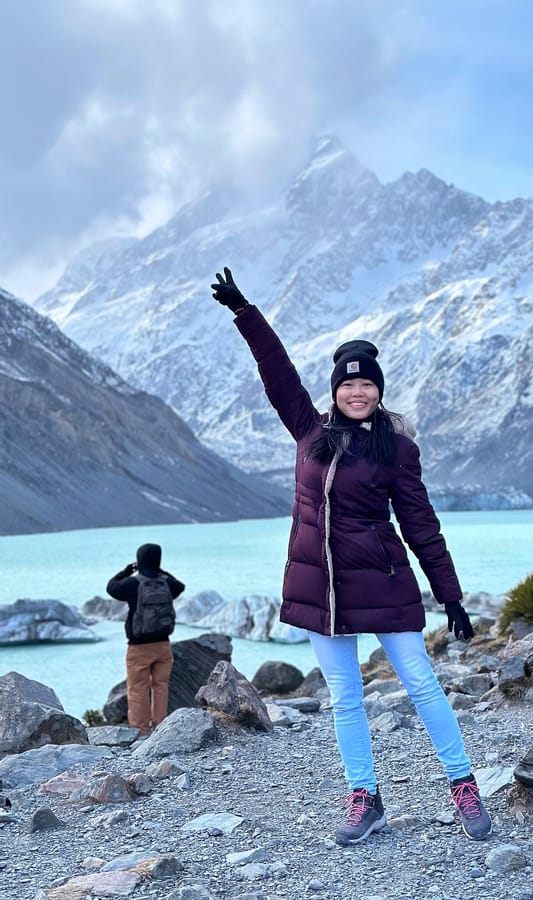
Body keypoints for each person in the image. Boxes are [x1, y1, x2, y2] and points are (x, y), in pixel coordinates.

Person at [210, 267, 493, 845]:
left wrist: (451, 596)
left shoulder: (397, 449)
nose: (358, 392)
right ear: (335, 389)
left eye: (368, 386)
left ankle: (463, 784)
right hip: (319, 588)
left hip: (382, 583)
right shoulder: (308, 431)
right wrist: (245, 312)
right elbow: (276, 369)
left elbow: (421, 525)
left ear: (379, 391)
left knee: (420, 681)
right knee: (344, 697)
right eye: (348, 385)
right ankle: (365, 798)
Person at [106, 543, 185, 736]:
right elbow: (180, 586)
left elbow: (111, 587)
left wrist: (126, 571)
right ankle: (160, 726)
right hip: (163, 645)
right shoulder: (166, 583)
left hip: (138, 647)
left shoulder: (133, 584)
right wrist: (160, 571)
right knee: (161, 686)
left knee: (137, 688)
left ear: (139, 559)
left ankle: (140, 731)